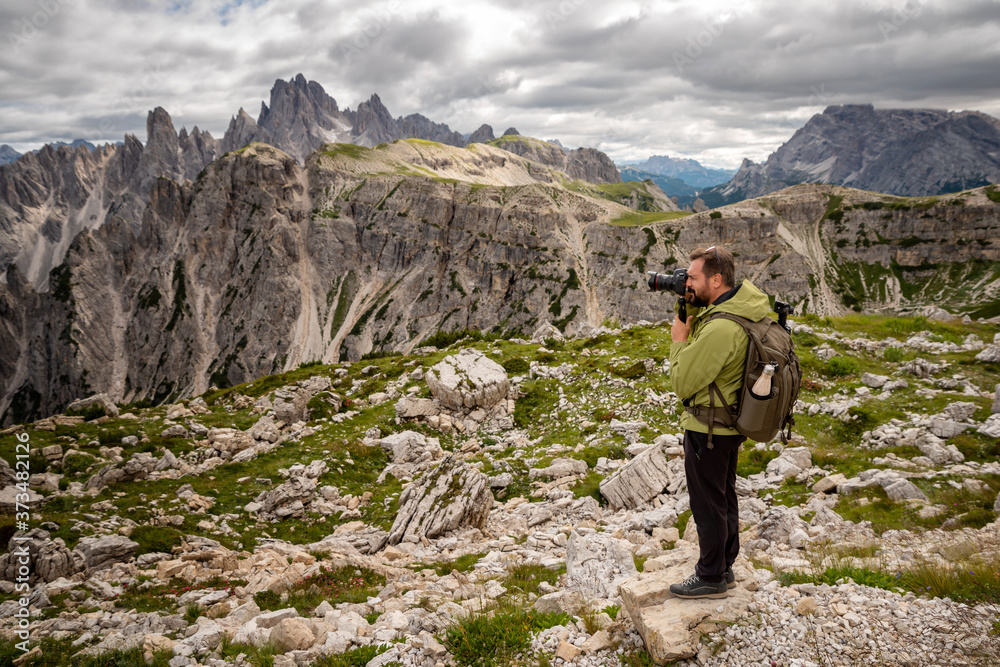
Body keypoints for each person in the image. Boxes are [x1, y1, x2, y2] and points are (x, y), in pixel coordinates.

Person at [667, 245, 771, 599]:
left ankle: (710, 575)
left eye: (693, 278)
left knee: (707, 505)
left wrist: (680, 341)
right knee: (723, 497)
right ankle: (724, 567)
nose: (687, 284)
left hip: (706, 428)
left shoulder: (722, 328)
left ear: (716, 279)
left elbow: (683, 383)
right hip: (728, 426)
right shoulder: (742, 312)